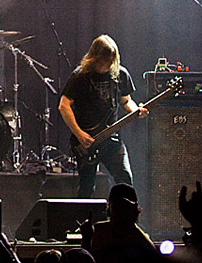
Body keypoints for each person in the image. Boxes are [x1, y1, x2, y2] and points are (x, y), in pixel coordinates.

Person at [59, 34, 147, 198]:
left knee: (125, 181)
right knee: (86, 187)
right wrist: (79, 134)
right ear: (94, 58)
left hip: (112, 139)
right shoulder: (80, 76)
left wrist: (136, 110)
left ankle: (125, 220)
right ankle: (83, 221)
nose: (106, 66)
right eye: (102, 63)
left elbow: (126, 101)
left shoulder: (120, 74)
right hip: (87, 141)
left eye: (109, 62)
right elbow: (64, 106)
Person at [80, 183, 155, 263]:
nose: (120, 211)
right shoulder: (98, 231)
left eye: (125, 207)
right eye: (116, 206)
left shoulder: (142, 243)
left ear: (134, 210)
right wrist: (86, 238)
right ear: (109, 208)